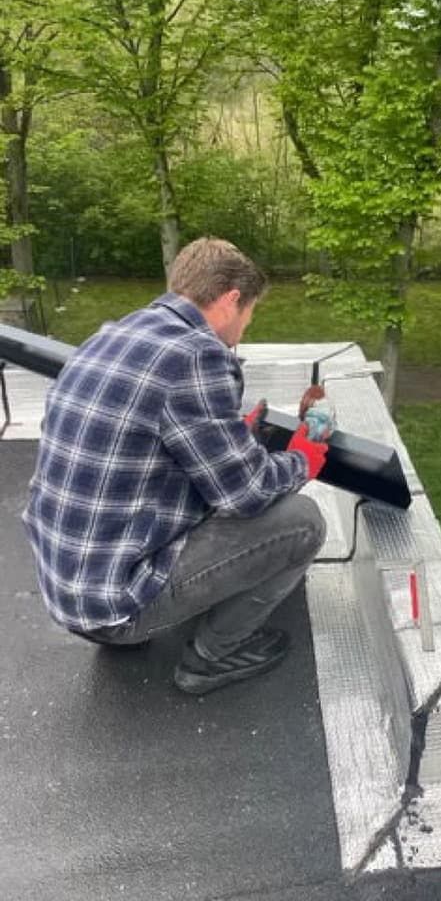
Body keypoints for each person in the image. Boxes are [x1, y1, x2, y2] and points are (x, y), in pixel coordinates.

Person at [22, 237, 328, 695]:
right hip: (115, 606)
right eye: (250, 312)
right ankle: (213, 657)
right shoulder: (198, 354)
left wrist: (230, 435)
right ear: (230, 300)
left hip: (70, 590)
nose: (247, 324)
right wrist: (304, 459)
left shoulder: (113, 335)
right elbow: (246, 493)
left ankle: (139, 628)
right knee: (303, 522)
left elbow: (144, 441)